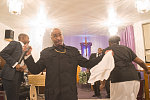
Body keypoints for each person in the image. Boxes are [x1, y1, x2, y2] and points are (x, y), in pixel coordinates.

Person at [23, 28, 102, 100]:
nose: (58, 38)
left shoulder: (73, 51)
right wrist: (28, 56)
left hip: (69, 94)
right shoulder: (46, 53)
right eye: (55, 36)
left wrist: (103, 56)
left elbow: (87, 63)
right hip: (52, 94)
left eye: (60, 35)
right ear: (51, 38)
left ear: (62, 35)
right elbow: (35, 69)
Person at [101, 35, 150, 100]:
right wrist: (147, 70)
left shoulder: (107, 50)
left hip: (119, 79)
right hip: (134, 79)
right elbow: (140, 62)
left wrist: (103, 83)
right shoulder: (127, 49)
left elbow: (105, 67)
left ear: (109, 42)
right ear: (118, 42)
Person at [0, 33, 29, 100]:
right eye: (28, 38)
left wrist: (24, 66)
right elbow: (3, 53)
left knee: (16, 96)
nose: (29, 40)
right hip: (10, 75)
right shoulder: (15, 43)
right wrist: (15, 64)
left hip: (18, 74)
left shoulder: (25, 48)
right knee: (11, 97)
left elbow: (22, 60)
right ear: (22, 38)